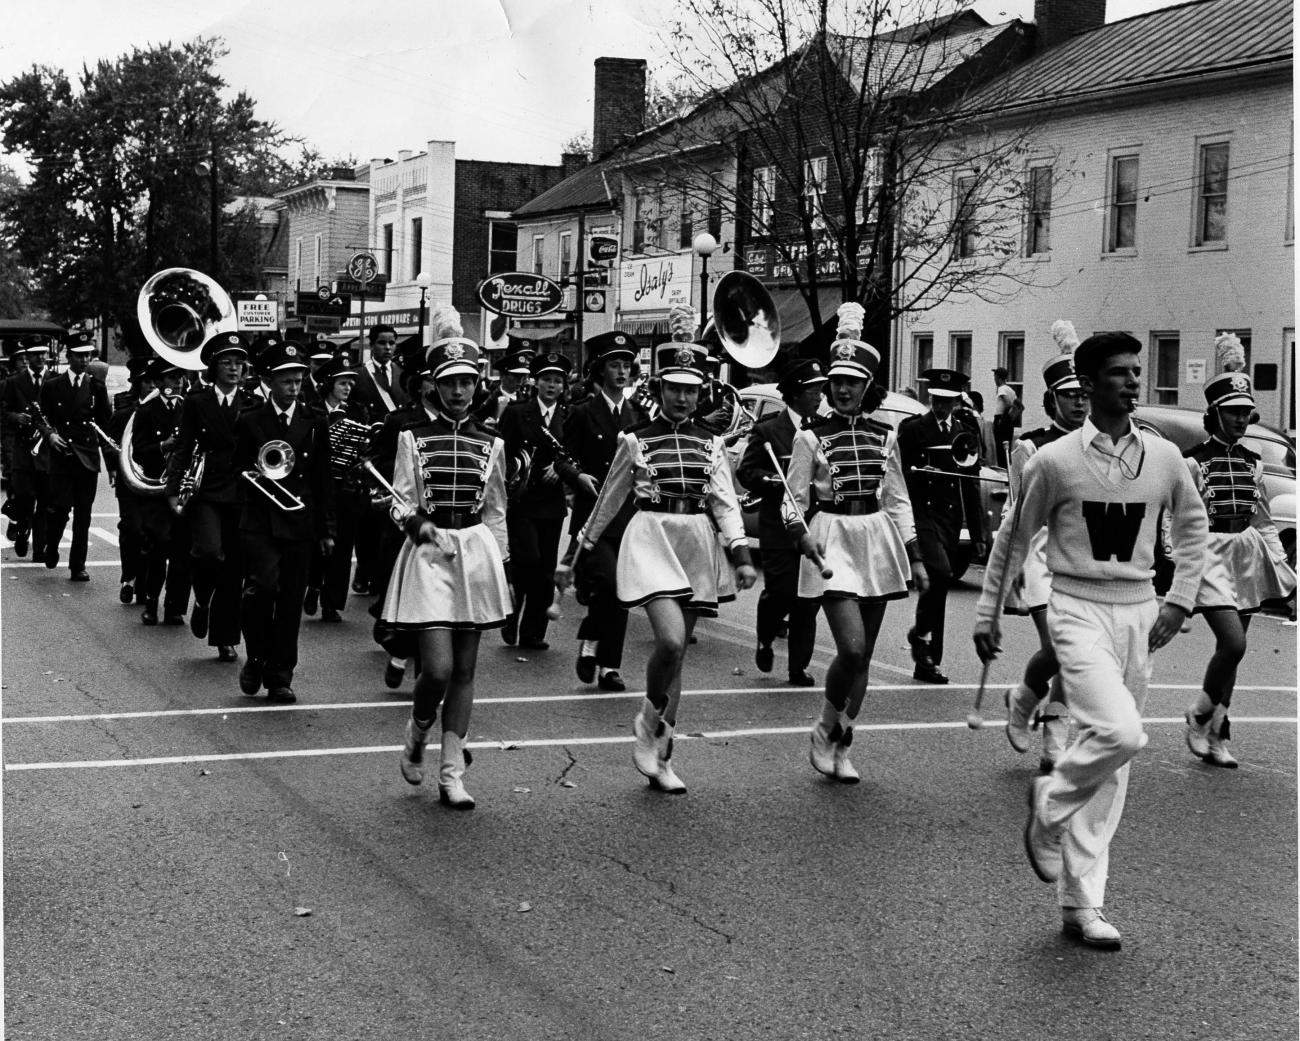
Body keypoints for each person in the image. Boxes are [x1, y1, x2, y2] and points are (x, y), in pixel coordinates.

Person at [973, 331, 1208, 951]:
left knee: (1112, 765)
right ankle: (1049, 803)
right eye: (1120, 373)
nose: (1134, 381)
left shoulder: (1163, 458)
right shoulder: (1053, 461)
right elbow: (1013, 541)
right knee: (1120, 733)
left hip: (1139, 611)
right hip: (1075, 606)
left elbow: (1191, 527)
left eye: (1137, 371)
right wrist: (987, 613)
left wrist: (1182, 598)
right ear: (1088, 384)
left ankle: (1082, 903)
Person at [560, 308, 756, 792]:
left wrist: (740, 552)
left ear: (700, 392)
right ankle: (648, 721)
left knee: (678, 659)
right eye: (675, 388)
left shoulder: (711, 444)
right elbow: (608, 501)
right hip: (650, 537)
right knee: (669, 641)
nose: (683, 397)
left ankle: (663, 754)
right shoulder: (635, 440)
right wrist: (576, 554)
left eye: (691, 389)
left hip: (695, 541)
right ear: (660, 388)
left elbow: (725, 503)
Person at [783, 305, 928, 781]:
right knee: (850, 648)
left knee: (864, 656)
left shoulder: (885, 437)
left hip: (874, 542)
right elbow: (792, 499)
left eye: (854, 382)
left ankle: (843, 741)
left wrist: (916, 555)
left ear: (868, 387)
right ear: (829, 386)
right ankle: (825, 727)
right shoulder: (810, 437)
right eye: (838, 381)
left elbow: (898, 500)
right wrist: (799, 532)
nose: (844, 389)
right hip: (830, 541)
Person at [387, 325, 512, 810]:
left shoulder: (492, 443)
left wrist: (503, 566)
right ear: (432, 386)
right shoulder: (411, 438)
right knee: (436, 669)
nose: (459, 392)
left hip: (475, 552)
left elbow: (497, 509)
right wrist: (413, 521)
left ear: (477, 383)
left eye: (466, 382)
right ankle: (417, 731)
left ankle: (451, 771)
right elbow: (399, 499)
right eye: (448, 383)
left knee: (465, 670)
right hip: (429, 555)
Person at [1182, 334, 1296, 768]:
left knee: (1237, 646)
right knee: (1232, 644)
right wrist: (1178, 559)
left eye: (1245, 412)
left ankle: (1217, 735)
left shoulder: (1253, 461)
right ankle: (1198, 716)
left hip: (1245, 552)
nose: (1240, 419)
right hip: (1210, 552)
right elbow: (1179, 519)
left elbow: (1263, 517)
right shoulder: (1192, 461)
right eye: (1231, 412)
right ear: (1213, 414)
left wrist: (1282, 566)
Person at [1001, 326, 1089, 772]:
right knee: (1057, 648)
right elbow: (1017, 513)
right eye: (1068, 394)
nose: (1078, 402)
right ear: (1051, 398)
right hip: (1041, 557)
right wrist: (1010, 566)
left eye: (1084, 393)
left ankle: (1053, 731)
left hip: (1087, 561)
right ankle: (1023, 702)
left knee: (1077, 653)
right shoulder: (1032, 445)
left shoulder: (1103, 444)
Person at [233, 341, 335, 704]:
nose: (294, 388)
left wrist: (326, 531)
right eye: (287, 381)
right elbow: (238, 469)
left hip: (299, 520)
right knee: (260, 590)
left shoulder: (314, 421)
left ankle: (280, 675)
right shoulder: (249, 419)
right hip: (260, 520)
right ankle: (256, 657)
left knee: (291, 600)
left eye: (299, 381)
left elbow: (323, 479)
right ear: (269, 382)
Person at [555, 331, 650, 692]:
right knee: (607, 584)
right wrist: (578, 475)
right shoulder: (582, 413)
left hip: (629, 518)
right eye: (615, 365)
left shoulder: (639, 414)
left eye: (627, 365)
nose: (622, 372)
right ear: (600, 370)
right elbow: (562, 458)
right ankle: (592, 640)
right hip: (593, 518)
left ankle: (609, 665)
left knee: (623, 590)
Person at [166, 331, 259, 663]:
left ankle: (225, 638)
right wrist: (173, 490)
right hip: (206, 490)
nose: (234, 369)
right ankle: (203, 599)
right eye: (226, 363)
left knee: (234, 567)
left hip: (242, 492)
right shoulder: (197, 401)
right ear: (214, 367)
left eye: (239, 363)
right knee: (207, 553)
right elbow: (182, 447)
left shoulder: (253, 402)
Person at [737, 358, 828, 687]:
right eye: (813, 391)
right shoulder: (768, 430)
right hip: (777, 524)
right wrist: (772, 480)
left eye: (820, 390)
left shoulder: (823, 428)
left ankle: (797, 667)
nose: (819, 396)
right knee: (783, 591)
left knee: (808, 599)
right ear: (794, 394)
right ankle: (765, 635)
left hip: (813, 525)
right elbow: (745, 473)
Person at [897, 368, 986, 683]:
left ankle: (925, 652)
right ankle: (925, 645)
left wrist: (978, 535)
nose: (941, 406)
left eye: (947, 401)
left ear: (956, 401)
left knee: (940, 585)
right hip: (923, 514)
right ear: (929, 397)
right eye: (936, 399)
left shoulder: (964, 432)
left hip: (949, 519)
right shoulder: (912, 430)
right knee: (942, 573)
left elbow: (970, 484)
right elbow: (900, 480)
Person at [498, 349, 572, 649]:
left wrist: (564, 469)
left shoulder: (570, 415)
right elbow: (501, 453)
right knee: (527, 560)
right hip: (523, 499)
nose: (552, 386)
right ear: (536, 382)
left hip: (552, 503)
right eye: (546, 380)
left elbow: (576, 453)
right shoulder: (518, 412)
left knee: (545, 569)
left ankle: (533, 632)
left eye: (557, 381)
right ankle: (510, 613)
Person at [39, 331, 112, 581]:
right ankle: (51, 544)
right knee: (58, 509)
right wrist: (49, 435)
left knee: (84, 513)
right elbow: (41, 418)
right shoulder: (52, 386)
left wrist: (112, 465)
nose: (84, 360)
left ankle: (77, 565)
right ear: (68, 356)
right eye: (79, 356)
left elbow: (105, 427)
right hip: (62, 455)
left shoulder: (96, 387)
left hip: (88, 458)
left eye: (88, 356)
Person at [305, 354, 371, 624]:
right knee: (318, 541)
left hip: (346, 487)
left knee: (343, 546)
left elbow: (365, 448)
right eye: (342, 383)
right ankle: (314, 584)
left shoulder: (358, 412)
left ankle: (332, 603)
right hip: (318, 487)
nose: (347, 388)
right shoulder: (311, 411)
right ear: (329, 383)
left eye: (350, 384)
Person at [131, 357, 192, 626]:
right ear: (158, 382)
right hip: (156, 488)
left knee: (182, 548)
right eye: (171, 378)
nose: (177, 382)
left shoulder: (189, 408)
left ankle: (174, 606)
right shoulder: (145, 411)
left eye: (179, 377)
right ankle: (152, 603)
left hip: (182, 488)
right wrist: (163, 446)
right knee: (159, 544)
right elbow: (139, 452)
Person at [351, 324, 409, 597]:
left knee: (393, 512)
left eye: (392, 343)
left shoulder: (402, 375)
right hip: (370, 451)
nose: (388, 348)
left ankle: (383, 571)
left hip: (397, 451)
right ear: (371, 345)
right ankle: (364, 568)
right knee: (367, 515)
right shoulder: (359, 375)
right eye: (382, 343)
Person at [0, 339, 53, 560]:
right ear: (27, 357)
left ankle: (40, 547)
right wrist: (16, 417)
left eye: (44, 353)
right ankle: (22, 530)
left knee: (45, 498)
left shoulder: (54, 381)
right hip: (22, 447)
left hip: (46, 448)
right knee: (24, 496)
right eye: (35, 354)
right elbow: (3, 413)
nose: (41, 358)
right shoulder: (13, 382)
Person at [474, 343, 534, 429]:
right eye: (516, 376)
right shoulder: (489, 398)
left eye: (523, 376)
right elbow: (473, 421)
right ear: (502, 376)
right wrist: (487, 426)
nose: (520, 381)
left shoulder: (526, 399)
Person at [992, 366, 1020, 466]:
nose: (994, 379)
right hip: (1008, 422)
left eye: (995, 376)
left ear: (998, 377)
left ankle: (1003, 471)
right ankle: (1007, 469)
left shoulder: (1002, 389)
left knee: (1000, 449)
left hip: (1001, 419)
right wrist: (1011, 418)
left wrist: (1003, 418)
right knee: (1006, 449)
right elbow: (1020, 406)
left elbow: (1008, 404)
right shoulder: (1011, 390)